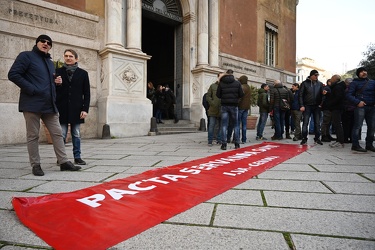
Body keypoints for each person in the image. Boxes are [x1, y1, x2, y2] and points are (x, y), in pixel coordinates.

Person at [8, 34, 81, 176]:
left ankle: (63, 162)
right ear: (37, 43)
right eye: (42, 41)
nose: (45, 43)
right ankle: (36, 165)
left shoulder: (49, 62)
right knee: (33, 135)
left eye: (49, 42)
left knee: (58, 133)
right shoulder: (26, 56)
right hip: (32, 103)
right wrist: (32, 89)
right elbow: (13, 74)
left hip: (49, 104)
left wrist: (57, 83)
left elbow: (47, 83)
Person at [55, 49, 91, 165]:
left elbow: (87, 93)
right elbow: (54, 91)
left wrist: (85, 109)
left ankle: (77, 157)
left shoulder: (83, 73)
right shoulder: (58, 71)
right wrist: (57, 84)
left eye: (71, 56)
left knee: (76, 133)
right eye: (66, 56)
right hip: (62, 108)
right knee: (62, 134)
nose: (68, 58)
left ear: (76, 59)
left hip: (77, 108)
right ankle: (61, 158)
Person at [346, 67, 375, 152]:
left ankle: (369, 145)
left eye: (365, 71)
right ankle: (355, 145)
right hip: (360, 107)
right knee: (357, 126)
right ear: (358, 74)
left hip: (372, 107)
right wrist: (357, 102)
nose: (364, 73)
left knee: (372, 127)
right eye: (361, 72)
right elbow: (348, 95)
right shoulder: (354, 83)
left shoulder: (373, 82)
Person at [216, 69, 244, 150]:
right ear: (232, 74)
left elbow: (218, 95)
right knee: (236, 125)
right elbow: (241, 94)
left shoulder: (221, 83)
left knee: (224, 125)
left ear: (226, 74)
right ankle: (237, 144)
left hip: (224, 105)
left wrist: (224, 97)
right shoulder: (237, 83)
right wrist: (236, 98)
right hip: (234, 105)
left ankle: (224, 144)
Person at [299, 69, 324, 145]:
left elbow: (322, 95)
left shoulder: (320, 84)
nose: (316, 77)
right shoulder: (304, 83)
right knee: (305, 122)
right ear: (311, 75)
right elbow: (300, 95)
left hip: (317, 106)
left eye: (317, 75)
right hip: (307, 106)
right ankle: (304, 138)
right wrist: (302, 105)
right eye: (315, 75)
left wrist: (321, 104)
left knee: (317, 123)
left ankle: (317, 138)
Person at [326, 74, 346, 148]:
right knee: (336, 124)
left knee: (337, 125)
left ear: (335, 79)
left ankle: (340, 141)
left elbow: (337, 98)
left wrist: (330, 104)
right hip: (336, 108)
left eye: (332, 78)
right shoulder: (337, 87)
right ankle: (338, 140)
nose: (330, 80)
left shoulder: (338, 87)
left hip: (337, 108)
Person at [206, 75, 222, 146]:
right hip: (213, 109)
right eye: (220, 76)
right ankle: (210, 140)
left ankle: (219, 139)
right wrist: (212, 103)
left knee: (220, 126)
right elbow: (208, 96)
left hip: (221, 109)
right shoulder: (212, 86)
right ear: (218, 77)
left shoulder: (225, 86)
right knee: (211, 125)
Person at [238, 75, 251, 143]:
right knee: (244, 124)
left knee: (237, 123)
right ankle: (244, 139)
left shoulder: (242, 87)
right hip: (246, 107)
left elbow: (240, 97)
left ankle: (237, 138)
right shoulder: (248, 87)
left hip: (241, 107)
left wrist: (237, 103)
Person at [342, 78, 355, 143]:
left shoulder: (344, 90)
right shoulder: (354, 90)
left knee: (345, 125)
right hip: (353, 109)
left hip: (346, 109)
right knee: (352, 125)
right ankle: (352, 138)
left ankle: (345, 138)